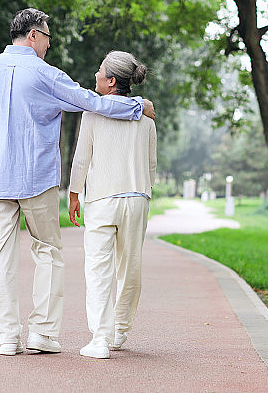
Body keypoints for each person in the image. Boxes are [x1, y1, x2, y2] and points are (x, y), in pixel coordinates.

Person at [0, 8, 155, 357]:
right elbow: (92, 102)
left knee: (0, 256)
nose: (49, 45)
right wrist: (137, 106)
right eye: (48, 37)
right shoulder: (46, 75)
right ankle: (42, 333)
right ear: (34, 35)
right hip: (36, 179)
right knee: (47, 251)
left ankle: (8, 337)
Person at [68, 51, 157, 359]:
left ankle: (100, 339)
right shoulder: (145, 116)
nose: (95, 75)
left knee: (97, 269)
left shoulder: (92, 113)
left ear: (110, 81)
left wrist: (74, 194)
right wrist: (143, 190)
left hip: (101, 200)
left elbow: (82, 159)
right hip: (136, 199)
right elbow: (152, 164)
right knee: (129, 267)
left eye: (99, 71)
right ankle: (119, 331)